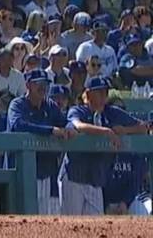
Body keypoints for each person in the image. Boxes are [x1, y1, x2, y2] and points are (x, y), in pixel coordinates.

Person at [59, 76, 151, 215]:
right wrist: (106, 131)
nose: (103, 96)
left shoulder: (111, 112)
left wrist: (125, 130)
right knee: (71, 223)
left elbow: (143, 127)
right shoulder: (78, 110)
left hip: (96, 179)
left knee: (95, 224)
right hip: (74, 175)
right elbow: (78, 125)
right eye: (99, 92)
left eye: (105, 92)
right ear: (88, 94)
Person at [7, 69, 76, 215]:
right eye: (38, 83)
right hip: (22, 172)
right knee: (23, 217)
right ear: (28, 85)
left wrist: (70, 128)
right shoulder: (17, 104)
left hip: (46, 172)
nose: (42, 87)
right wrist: (50, 130)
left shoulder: (50, 106)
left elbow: (66, 122)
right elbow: (18, 125)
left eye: (45, 83)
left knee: (48, 218)